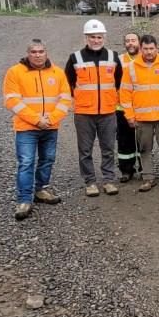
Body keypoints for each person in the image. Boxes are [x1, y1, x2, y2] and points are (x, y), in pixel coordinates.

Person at [2, 39, 72, 221]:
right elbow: (12, 101)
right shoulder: (15, 72)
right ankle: (24, 199)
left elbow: (65, 99)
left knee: (47, 159)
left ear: (46, 52)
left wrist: (51, 119)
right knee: (26, 162)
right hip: (26, 127)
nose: (38, 55)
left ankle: (41, 189)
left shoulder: (57, 73)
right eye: (34, 52)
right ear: (28, 53)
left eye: (41, 51)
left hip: (50, 126)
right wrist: (36, 120)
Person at [65, 19, 123, 197]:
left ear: (104, 37)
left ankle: (108, 180)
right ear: (86, 38)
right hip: (84, 113)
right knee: (85, 150)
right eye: (92, 37)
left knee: (107, 148)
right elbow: (68, 83)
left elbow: (118, 82)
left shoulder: (113, 57)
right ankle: (90, 181)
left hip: (107, 112)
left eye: (99, 37)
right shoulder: (75, 58)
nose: (96, 40)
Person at [121, 34, 159, 192]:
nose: (148, 52)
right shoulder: (131, 67)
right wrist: (129, 116)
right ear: (141, 49)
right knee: (144, 149)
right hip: (142, 118)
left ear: (157, 49)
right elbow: (125, 94)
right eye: (145, 49)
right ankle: (148, 178)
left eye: (151, 49)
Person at [115, 32, 142, 182]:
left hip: (142, 107)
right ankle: (126, 169)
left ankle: (145, 168)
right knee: (125, 141)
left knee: (143, 140)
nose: (130, 43)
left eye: (133, 40)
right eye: (127, 41)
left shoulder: (145, 58)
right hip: (122, 108)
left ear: (139, 42)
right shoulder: (119, 60)